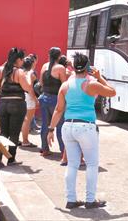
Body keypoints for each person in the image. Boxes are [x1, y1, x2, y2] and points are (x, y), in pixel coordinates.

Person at [47, 52, 116, 209]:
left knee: (72, 164)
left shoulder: (65, 86)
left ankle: (71, 200)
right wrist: (99, 77)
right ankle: (90, 200)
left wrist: (51, 129)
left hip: (67, 126)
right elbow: (112, 92)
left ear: (73, 67)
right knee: (92, 164)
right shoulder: (91, 84)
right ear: (87, 67)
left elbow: (58, 110)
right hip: (86, 127)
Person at [0, 47, 36, 165]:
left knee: (3, 132)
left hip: (2, 104)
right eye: (22, 60)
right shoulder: (19, 72)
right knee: (14, 133)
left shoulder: (0, 71)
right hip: (17, 104)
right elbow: (27, 88)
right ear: (19, 60)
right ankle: (11, 159)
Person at [39, 47, 69, 159]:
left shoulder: (44, 66)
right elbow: (64, 86)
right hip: (56, 100)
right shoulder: (60, 68)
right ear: (59, 56)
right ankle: (63, 152)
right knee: (60, 125)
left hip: (44, 98)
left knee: (45, 125)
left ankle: (44, 149)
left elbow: (41, 83)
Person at [20, 55, 40, 147]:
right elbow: (30, 88)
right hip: (29, 96)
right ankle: (25, 141)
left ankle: (22, 140)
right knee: (27, 120)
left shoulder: (20, 72)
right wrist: (35, 100)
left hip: (21, 96)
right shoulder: (31, 73)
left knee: (23, 119)